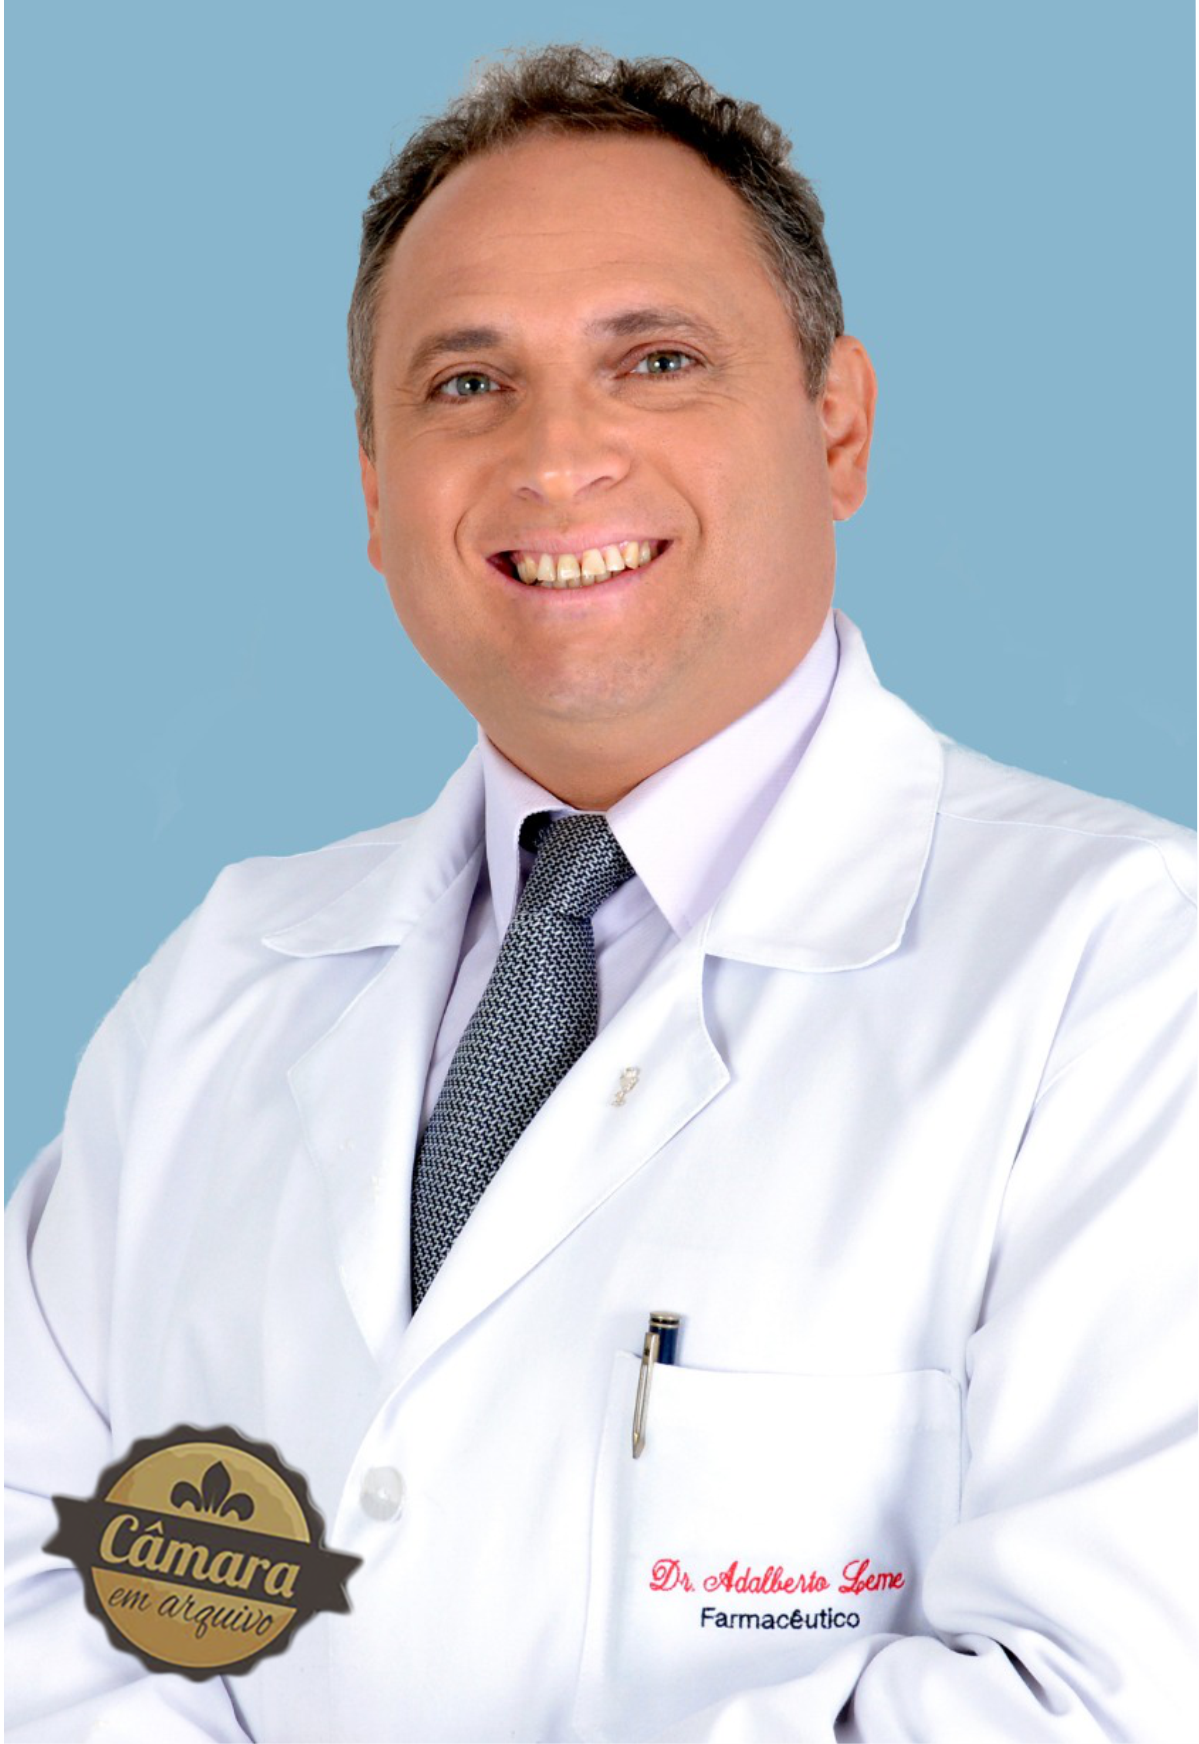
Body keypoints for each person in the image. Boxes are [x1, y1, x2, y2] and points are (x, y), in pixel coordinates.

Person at [6, 41, 1195, 1744]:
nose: (557, 456)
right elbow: (37, 1582)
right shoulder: (225, 984)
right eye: (465, 383)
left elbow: (1099, 1701)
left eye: (657, 360)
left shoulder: (1127, 974)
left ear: (836, 424)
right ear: (374, 493)